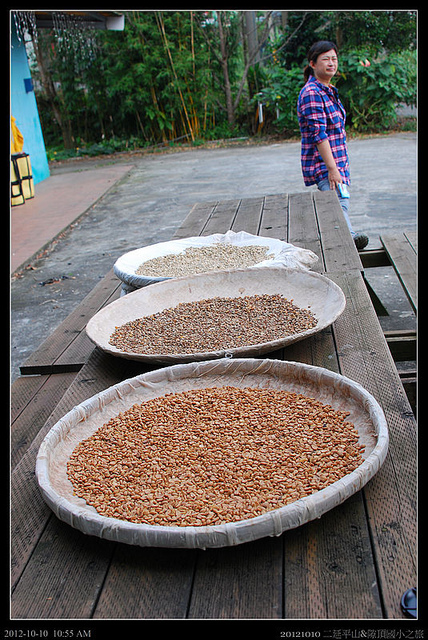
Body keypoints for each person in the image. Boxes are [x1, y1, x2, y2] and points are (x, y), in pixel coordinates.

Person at [297, 41, 369, 250]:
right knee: (337, 203)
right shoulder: (312, 92)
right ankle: (349, 239)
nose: (331, 63)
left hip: (337, 160)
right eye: (325, 59)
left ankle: (345, 238)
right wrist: (332, 168)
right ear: (313, 64)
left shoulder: (329, 90)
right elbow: (319, 135)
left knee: (339, 202)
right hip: (325, 162)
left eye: (334, 59)